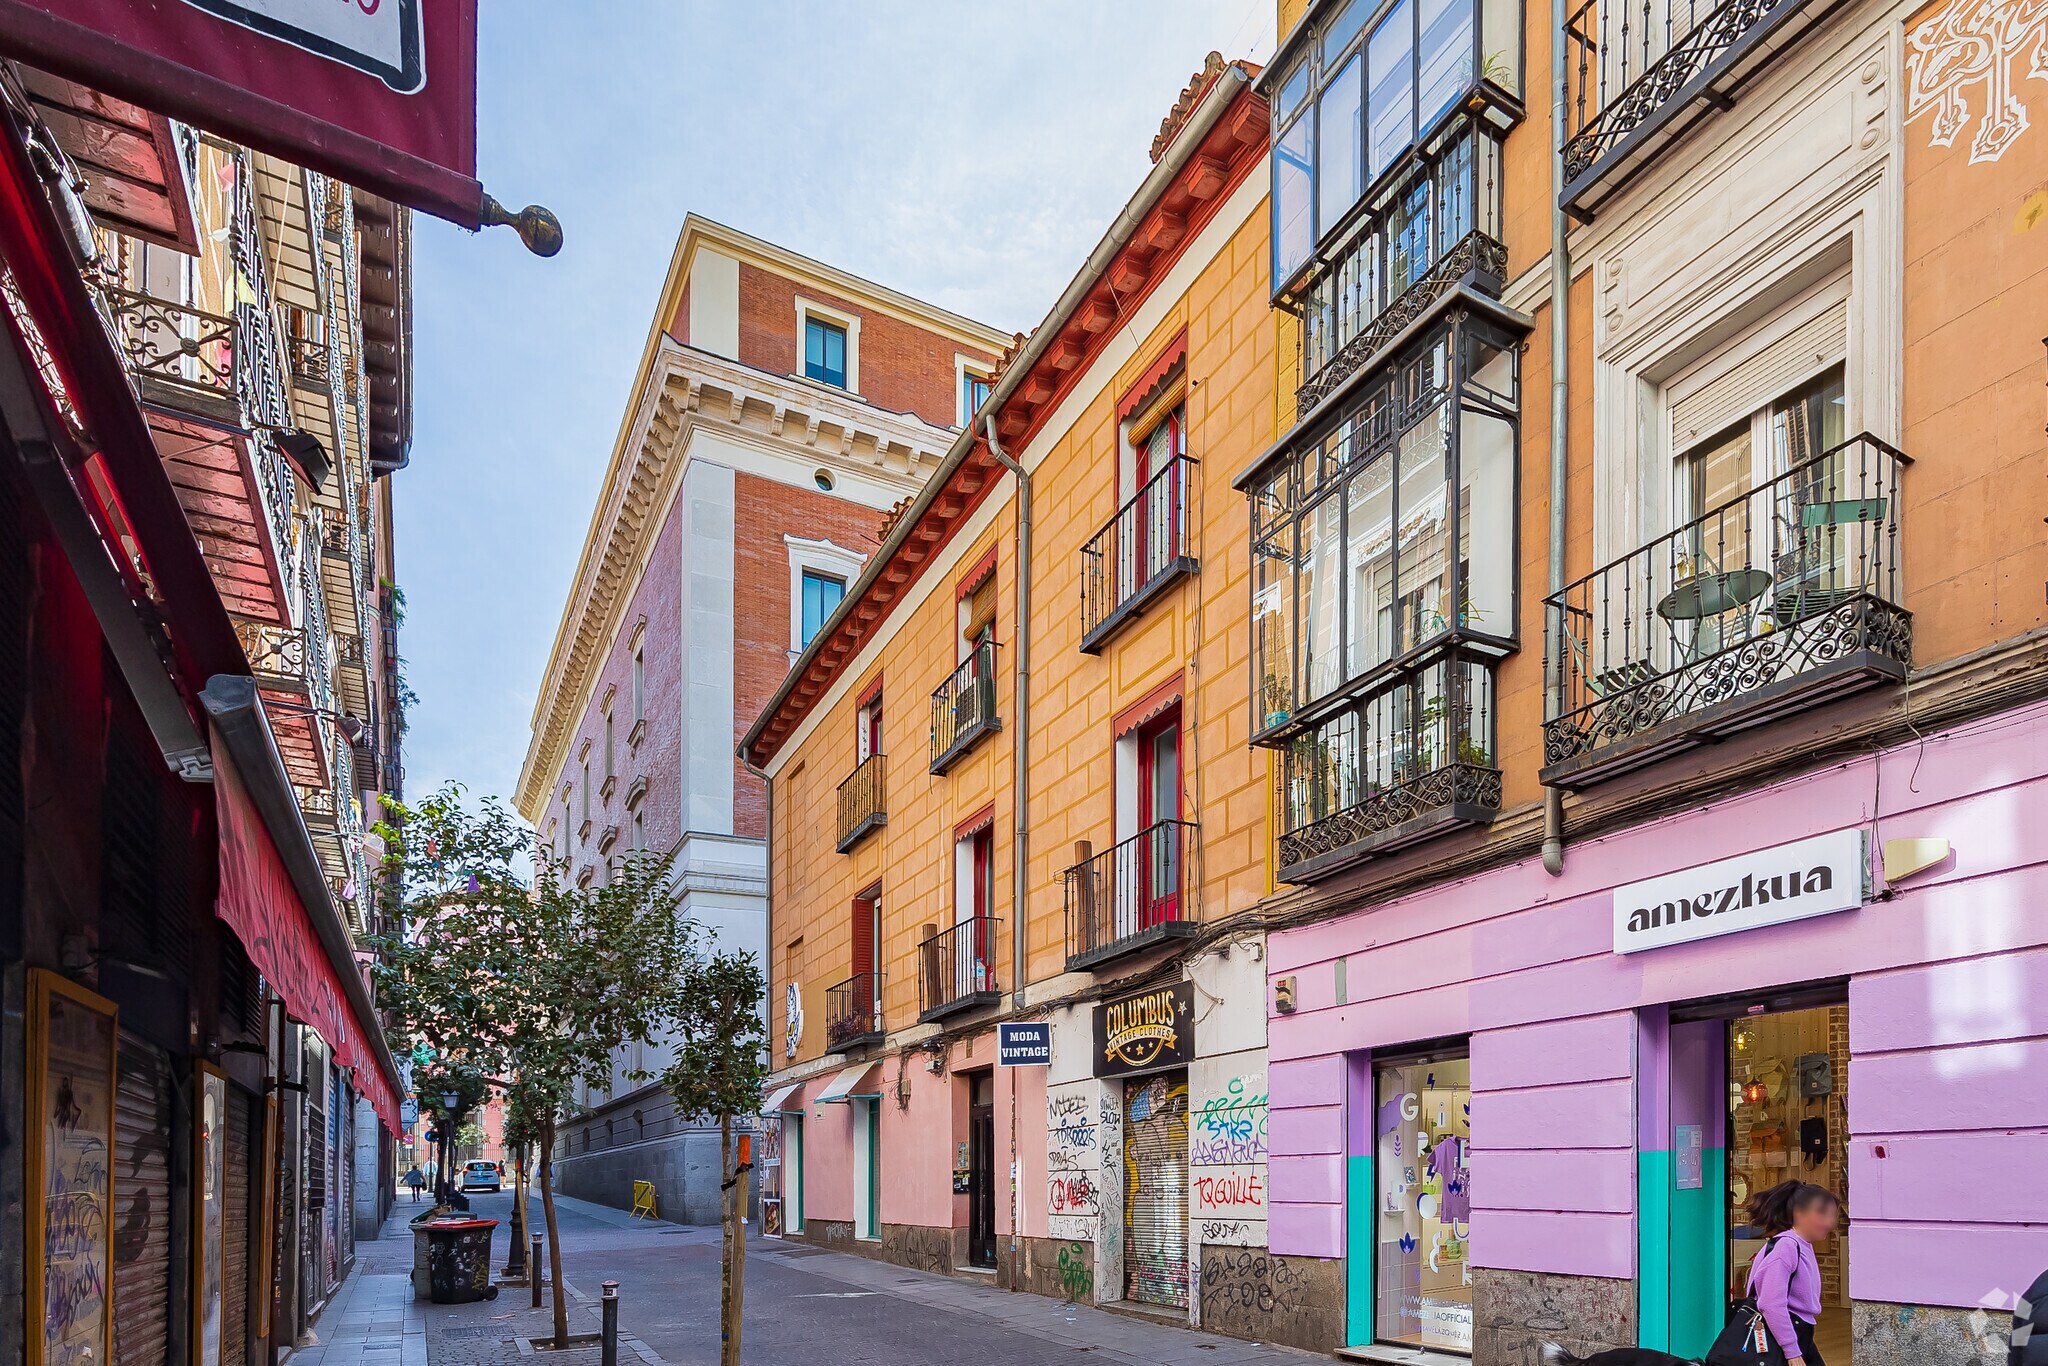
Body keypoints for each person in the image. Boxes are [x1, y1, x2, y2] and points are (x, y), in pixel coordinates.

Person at [1745, 1179, 1842, 1366]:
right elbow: (1770, 1303)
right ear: (1799, 1213)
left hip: (1799, 1334)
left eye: (1832, 1215)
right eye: (1823, 1214)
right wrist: (1792, 1352)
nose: (1830, 1223)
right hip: (1786, 1336)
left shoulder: (1800, 1244)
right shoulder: (1786, 1247)